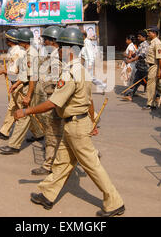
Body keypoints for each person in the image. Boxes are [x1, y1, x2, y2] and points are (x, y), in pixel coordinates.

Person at [14, 27, 125, 217]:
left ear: (70, 49)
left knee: (92, 166)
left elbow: (52, 103)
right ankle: (48, 195)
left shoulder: (70, 73)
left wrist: (26, 111)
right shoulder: (81, 69)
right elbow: (89, 100)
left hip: (75, 126)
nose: (58, 50)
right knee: (62, 162)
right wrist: (92, 121)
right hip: (75, 123)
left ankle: (114, 202)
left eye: (61, 46)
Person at [0, 28, 44, 155]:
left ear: (24, 42)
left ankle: (14, 146)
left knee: (25, 115)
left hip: (31, 88)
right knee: (31, 115)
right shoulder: (28, 52)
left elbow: (32, 77)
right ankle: (40, 134)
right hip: (25, 85)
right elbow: (24, 74)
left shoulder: (31, 54)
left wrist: (28, 96)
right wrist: (16, 84)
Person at [28, 26, 64, 175]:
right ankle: (90, 153)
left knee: (51, 133)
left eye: (45, 40)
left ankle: (49, 164)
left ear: (52, 41)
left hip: (53, 100)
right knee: (63, 132)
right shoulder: (55, 55)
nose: (43, 43)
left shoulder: (57, 58)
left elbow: (54, 83)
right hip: (57, 101)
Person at [0, 29, 25, 140]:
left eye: (7, 38)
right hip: (14, 83)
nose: (6, 40)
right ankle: (5, 131)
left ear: (10, 40)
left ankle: (38, 132)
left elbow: (16, 71)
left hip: (18, 84)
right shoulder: (12, 50)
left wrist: (3, 71)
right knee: (12, 108)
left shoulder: (18, 52)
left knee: (24, 111)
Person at [143, 26, 161, 110]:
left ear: (154, 33)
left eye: (149, 32)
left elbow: (160, 58)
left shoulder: (157, 43)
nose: (148, 34)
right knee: (155, 85)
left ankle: (150, 104)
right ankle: (154, 102)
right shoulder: (152, 42)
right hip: (151, 66)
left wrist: (159, 70)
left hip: (155, 66)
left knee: (151, 86)